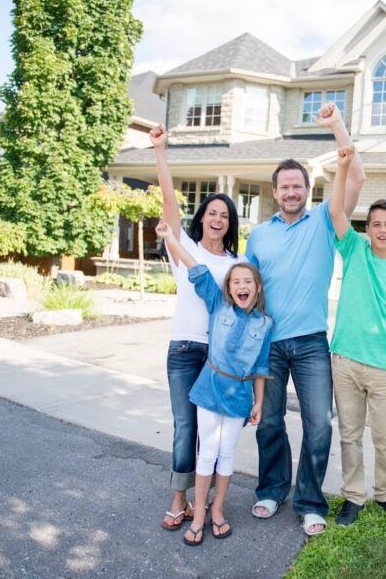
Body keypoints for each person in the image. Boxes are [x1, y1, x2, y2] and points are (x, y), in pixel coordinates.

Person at [246, 102, 365, 536]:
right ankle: (271, 489)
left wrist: (337, 128)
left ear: (308, 189)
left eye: (299, 185)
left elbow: (356, 178)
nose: (292, 192)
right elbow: (246, 291)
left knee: (319, 423)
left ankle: (309, 500)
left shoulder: (325, 221)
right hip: (269, 344)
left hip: (313, 342)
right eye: (285, 187)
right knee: (270, 423)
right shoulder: (258, 235)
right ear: (275, 192)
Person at [150, 125, 245, 532]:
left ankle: (207, 504)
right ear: (202, 218)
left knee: (214, 433)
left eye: (225, 216)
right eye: (212, 213)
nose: (218, 220)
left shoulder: (237, 265)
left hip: (219, 359)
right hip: (184, 351)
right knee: (185, 424)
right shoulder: (182, 248)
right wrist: (160, 151)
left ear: (231, 223)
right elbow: (169, 201)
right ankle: (179, 498)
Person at [156, 219, 272, 546]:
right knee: (207, 451)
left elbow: (261, 366)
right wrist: (170, 239)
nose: (241, 286)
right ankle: (199, 516)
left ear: (257, 287)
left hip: (239, 396)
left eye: (248, 281)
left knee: (227, 453)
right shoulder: (217, 303)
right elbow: (196, 267)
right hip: (210, 390)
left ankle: (218, 509)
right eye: (236, 281)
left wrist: (259, 401)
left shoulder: (265, 324)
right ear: (229, 288)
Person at [327, 145, 386, 526]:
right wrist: (342, 167)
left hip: (383, 366)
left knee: (385, 437)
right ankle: (353, 497)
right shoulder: (354, 250)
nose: (381, 229)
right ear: (368, 229)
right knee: (349, 435)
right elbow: (334, 211)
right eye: (375, 223)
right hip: (345, 359)